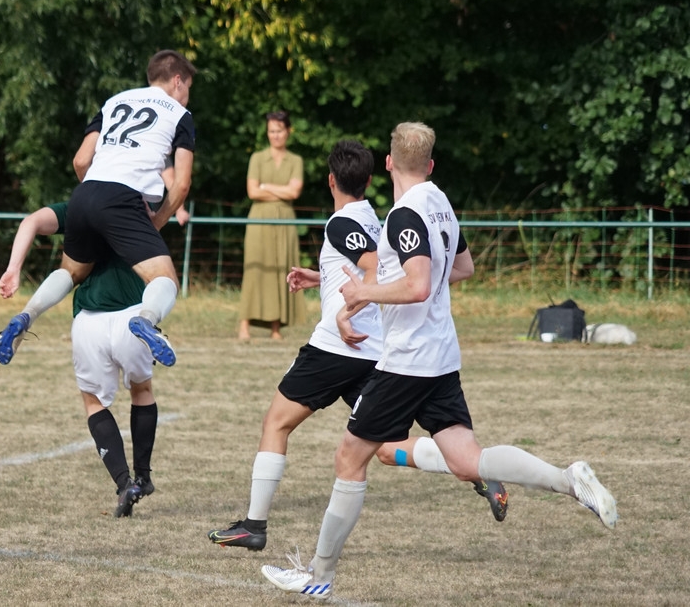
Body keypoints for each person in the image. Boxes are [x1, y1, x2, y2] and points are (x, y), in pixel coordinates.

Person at [261, 122, 617, 601]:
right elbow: (461, 267)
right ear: (429, 165)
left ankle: (318, 576)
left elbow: (417, 285)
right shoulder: (440, 204)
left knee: (349, 457)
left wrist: (364, 293)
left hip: (407, 362)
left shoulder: (403, 215)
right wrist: (362, 292)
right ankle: (568, 480)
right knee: (467, 461)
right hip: (441, 358)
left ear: (389, 162)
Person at [208, 141, 506, 552]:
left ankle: (253, 525)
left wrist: (347, 311)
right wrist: (321, 276)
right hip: (374, 350)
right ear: (369, 179)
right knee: (384, 448)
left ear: (331, 180)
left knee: (276, 423)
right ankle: (477, 470)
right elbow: (378, 266)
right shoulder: (374, 219)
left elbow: (373, 268)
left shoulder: (340, 223)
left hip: (337, 349)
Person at [0, 50, 196, 367]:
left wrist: (95, 195)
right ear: (177, 80)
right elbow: (182, 184)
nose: (187, 97)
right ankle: (146, 320)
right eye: (188, 88)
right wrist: (156, 220)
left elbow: (80, 160)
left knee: (71, 271)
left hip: (85, 191)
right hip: (123, 197)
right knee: (165, 279)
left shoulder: (113, 102)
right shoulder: (180, 114)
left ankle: (26, 315)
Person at [0, 203, 162, 518]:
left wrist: (14, 268)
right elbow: (176, 191)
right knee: (141, 390)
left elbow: (31, 221)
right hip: (133, 316)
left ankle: (124, 483)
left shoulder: (79, 207)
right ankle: (143, 476)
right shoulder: (135, 202)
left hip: (89, 319)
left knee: (93, 402)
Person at [238, 111, 307, 341]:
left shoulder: (295, 160)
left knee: (281, 268)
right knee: (255, 268)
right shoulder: (257, 158)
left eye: (279, 130)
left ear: (288, 131)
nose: (275, 135)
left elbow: (294, 192)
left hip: (285, 220)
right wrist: (280, 190)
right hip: (259, 219)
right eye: (271, 131)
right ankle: (244, 325)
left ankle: (276, 327)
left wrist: (266, 186)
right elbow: (252, 191)